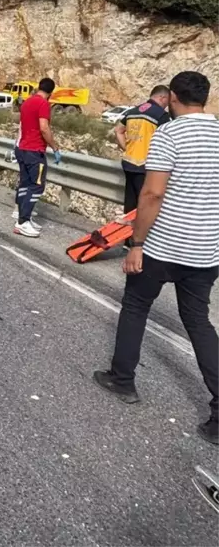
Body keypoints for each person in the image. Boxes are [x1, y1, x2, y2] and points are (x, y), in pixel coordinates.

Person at [94, 71, 219, 445]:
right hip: (206, 249)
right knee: (198, 321)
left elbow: (151, 195)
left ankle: (122, 379)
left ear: (174, 99)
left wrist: (136, 244)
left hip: (163, 246)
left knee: (135, 307)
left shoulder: (170, 133)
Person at [13, 77, 61, 238]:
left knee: (25, 183)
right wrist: (54, 146)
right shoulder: (43, 104)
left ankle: (20, 215)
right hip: (35, 151)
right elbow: (44, 128)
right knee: (37, 186)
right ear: (51, 92)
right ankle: (23, 222)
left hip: (22, 148)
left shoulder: (27, 102)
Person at [115, 85, 170, 217]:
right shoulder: (161, 115)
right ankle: (140, 235)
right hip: (145, 166)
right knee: (144, 206)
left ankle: (127, 234)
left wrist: (127, 147)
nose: (167, 105)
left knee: (130, 203)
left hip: (128, 162)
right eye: (168, 101)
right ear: (162, 97)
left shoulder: (132, 111)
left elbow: (118, 130)